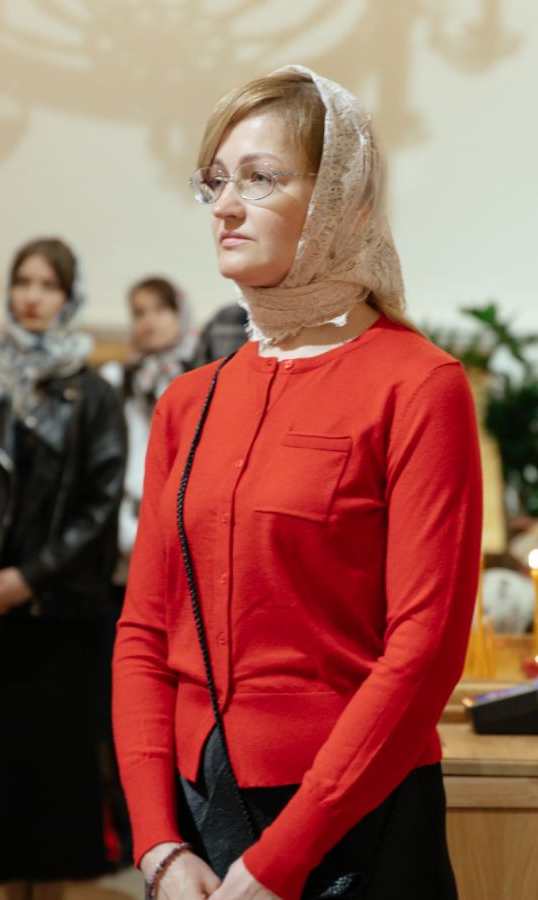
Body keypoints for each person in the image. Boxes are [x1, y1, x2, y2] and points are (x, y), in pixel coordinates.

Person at [113, 67, 482, 900]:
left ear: (344, 202)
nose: (225, 206)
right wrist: (156, 844)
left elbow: (423, 654)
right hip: (198, 823)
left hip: (355, 822)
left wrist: (281, 858)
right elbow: (142, 633)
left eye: (260, 178)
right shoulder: (188, 401)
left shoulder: (418, 384)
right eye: (215, 181)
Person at [0, 237, 126, 898]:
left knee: (59, 770)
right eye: (23, 282)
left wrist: (29, 577)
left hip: (60, 611)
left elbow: (100, 508)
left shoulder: (93, 393)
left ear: (68, 297)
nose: (32, 297)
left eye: (49, 285)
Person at [101, 276, 196, 586]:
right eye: (139, 313)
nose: (149, 321)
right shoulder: (117, 380)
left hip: (184, 524)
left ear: (179, 313)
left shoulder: (201, 378)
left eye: (160, 309)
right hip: (126, 524)